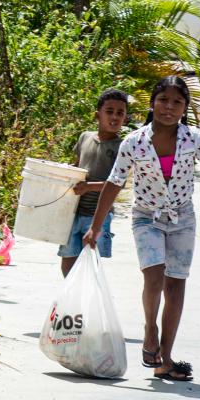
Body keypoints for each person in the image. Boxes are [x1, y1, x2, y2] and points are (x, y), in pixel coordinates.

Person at [82, 75, 200, 381]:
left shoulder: (193, 140)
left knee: (176, 287)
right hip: (146, 217)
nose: (169, 107)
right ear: (153, 103)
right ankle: (149, 330)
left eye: (177, 102)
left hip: (182, 220)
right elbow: (115, 183)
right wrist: (96, 227)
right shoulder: (134, 142)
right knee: (153, 278)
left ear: (185, 108)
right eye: (163, 100)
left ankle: (164, 360)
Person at [59, 89, 129, 278]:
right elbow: (77, 165)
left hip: (98, 215)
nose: (114, 117)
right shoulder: (85, 137)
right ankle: (72, 305)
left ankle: (88, 304)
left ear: (125, 118)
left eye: (120, 113)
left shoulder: (121, 147)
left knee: (90, 263)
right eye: (110, 111)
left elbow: (118, 184)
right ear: (97, 115)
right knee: (67, 262)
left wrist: (89, 187)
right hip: (74, 211)